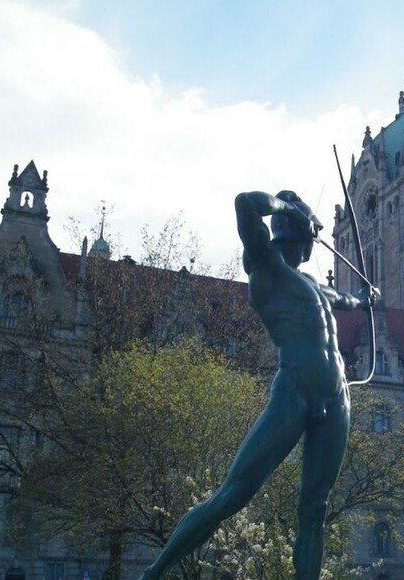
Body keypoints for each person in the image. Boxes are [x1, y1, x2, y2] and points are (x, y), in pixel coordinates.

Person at [139, 190, 377, 580]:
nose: (311, 246)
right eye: (308, 239)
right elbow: (245, 202)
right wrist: (293, 212)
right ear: (295, 235)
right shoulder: (264, 266)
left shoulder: (311, 283)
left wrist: (365, 298)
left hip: (336, 396)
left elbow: (342, 298)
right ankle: (152, 574)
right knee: (234, 494)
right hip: (294, 390)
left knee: (314, 508)